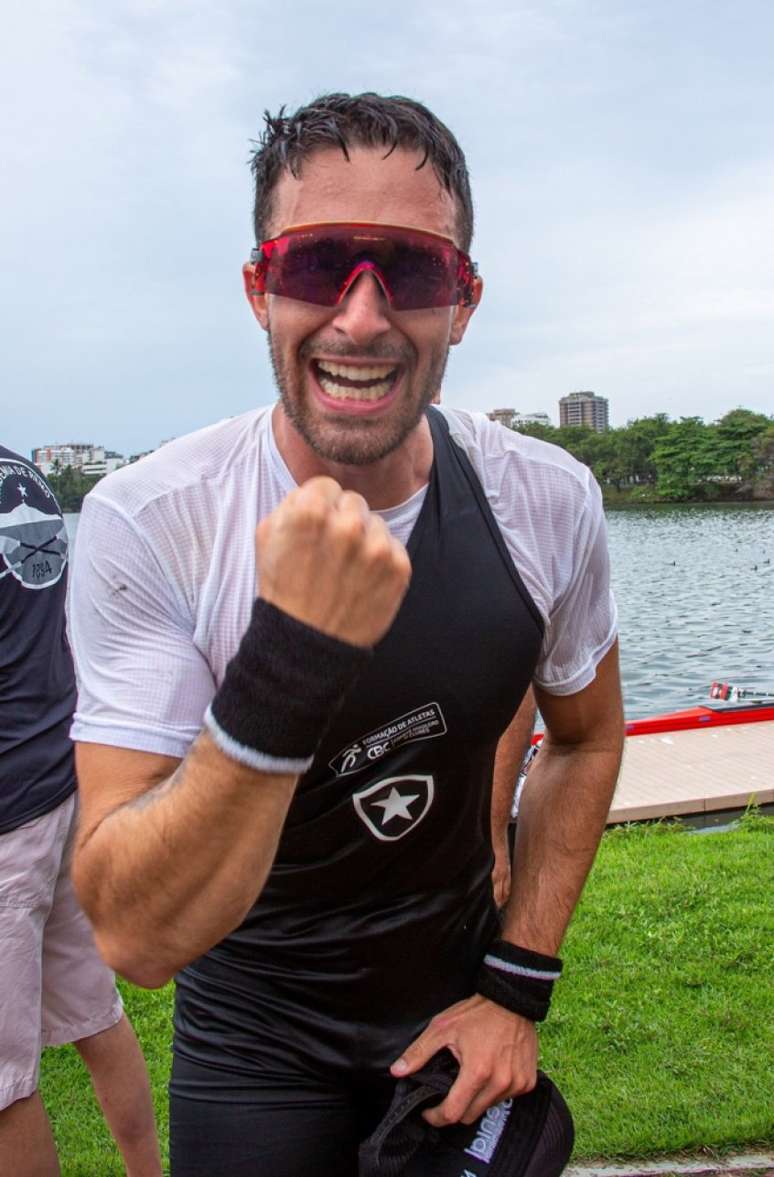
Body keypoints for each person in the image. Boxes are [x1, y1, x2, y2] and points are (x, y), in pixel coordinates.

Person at [68, 93, 624, 1176]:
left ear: (460, 303)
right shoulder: (154, 517)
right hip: (254, 1029)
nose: (361, 319)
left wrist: (518, 988)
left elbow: (589, 736)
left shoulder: (544, 500)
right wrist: (291, 661)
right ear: (259, 289)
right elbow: (137, 936)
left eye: (410, 271)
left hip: (455, 1000)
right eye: (319, 265)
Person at [0, 447, 162, 1177]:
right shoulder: (21, 473)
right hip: (57, 777)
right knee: (96, 1012)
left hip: (8, 813)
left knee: (4, 1083)